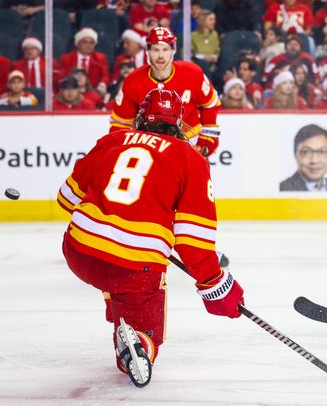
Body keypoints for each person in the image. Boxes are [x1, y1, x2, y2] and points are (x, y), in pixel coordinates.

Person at [59, 88, 244, 387]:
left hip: (79, 251)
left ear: (141, 117)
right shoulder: (191, 159)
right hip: (134, 267)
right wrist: (215, 284)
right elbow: (192, 241)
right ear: (179, 123)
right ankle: (139, 340)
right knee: (142, 308)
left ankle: (121, 315)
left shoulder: (112, 140)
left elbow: (66, 199)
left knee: (113, 275)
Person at [111, 27, 222, 157]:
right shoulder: (133, 81)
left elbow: (211, 105)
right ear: (147, 52)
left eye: (165, 49)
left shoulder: (193, 73)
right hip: (149, 145)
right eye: (155, 50)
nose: (160, 56)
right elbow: (120, 123)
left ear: (173, 51)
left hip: (190, 142)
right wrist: (122, 149)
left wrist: (206, 141)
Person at [280, 124, 327, 192]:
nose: (314, 160)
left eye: (322, 152)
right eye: (306, 152)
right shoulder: (283, 189)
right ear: (296, 154)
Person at [59, 28, 110, 97]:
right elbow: (62, 76)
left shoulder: (100, 58)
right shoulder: (66, 58)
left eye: (91, 43)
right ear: (78, 43)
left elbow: (105, 76)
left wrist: (101, 86)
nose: (88, 45)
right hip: (72, 92)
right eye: (85, 42)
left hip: (94, 92)